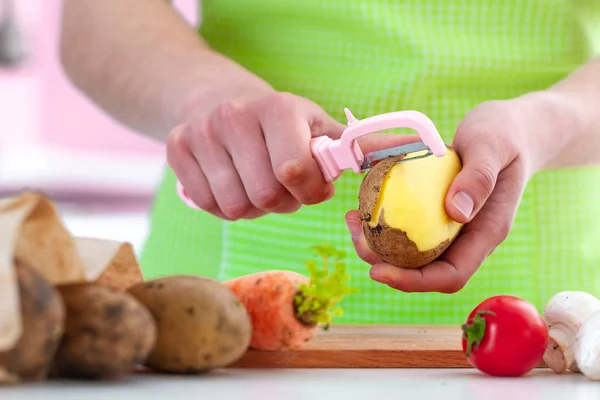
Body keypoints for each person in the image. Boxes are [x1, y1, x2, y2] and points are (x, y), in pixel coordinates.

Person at [59, 0, 600, 325]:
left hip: (548, 312)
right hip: (218, 287)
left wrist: (547, 123)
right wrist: (209, 100)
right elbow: (99, 19)